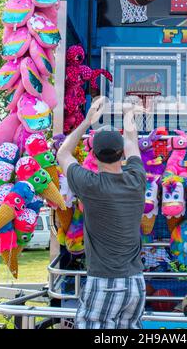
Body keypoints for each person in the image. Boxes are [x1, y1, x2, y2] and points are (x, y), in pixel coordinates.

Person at [57, 97, 146, 329]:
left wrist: (87, 121)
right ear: (121, 155)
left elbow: (63, 154)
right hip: (136, 284)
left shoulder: (89, 184)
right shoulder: (136, 179)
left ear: (93, 156)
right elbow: (132, 143)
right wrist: (129, 115)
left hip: (104, 282)